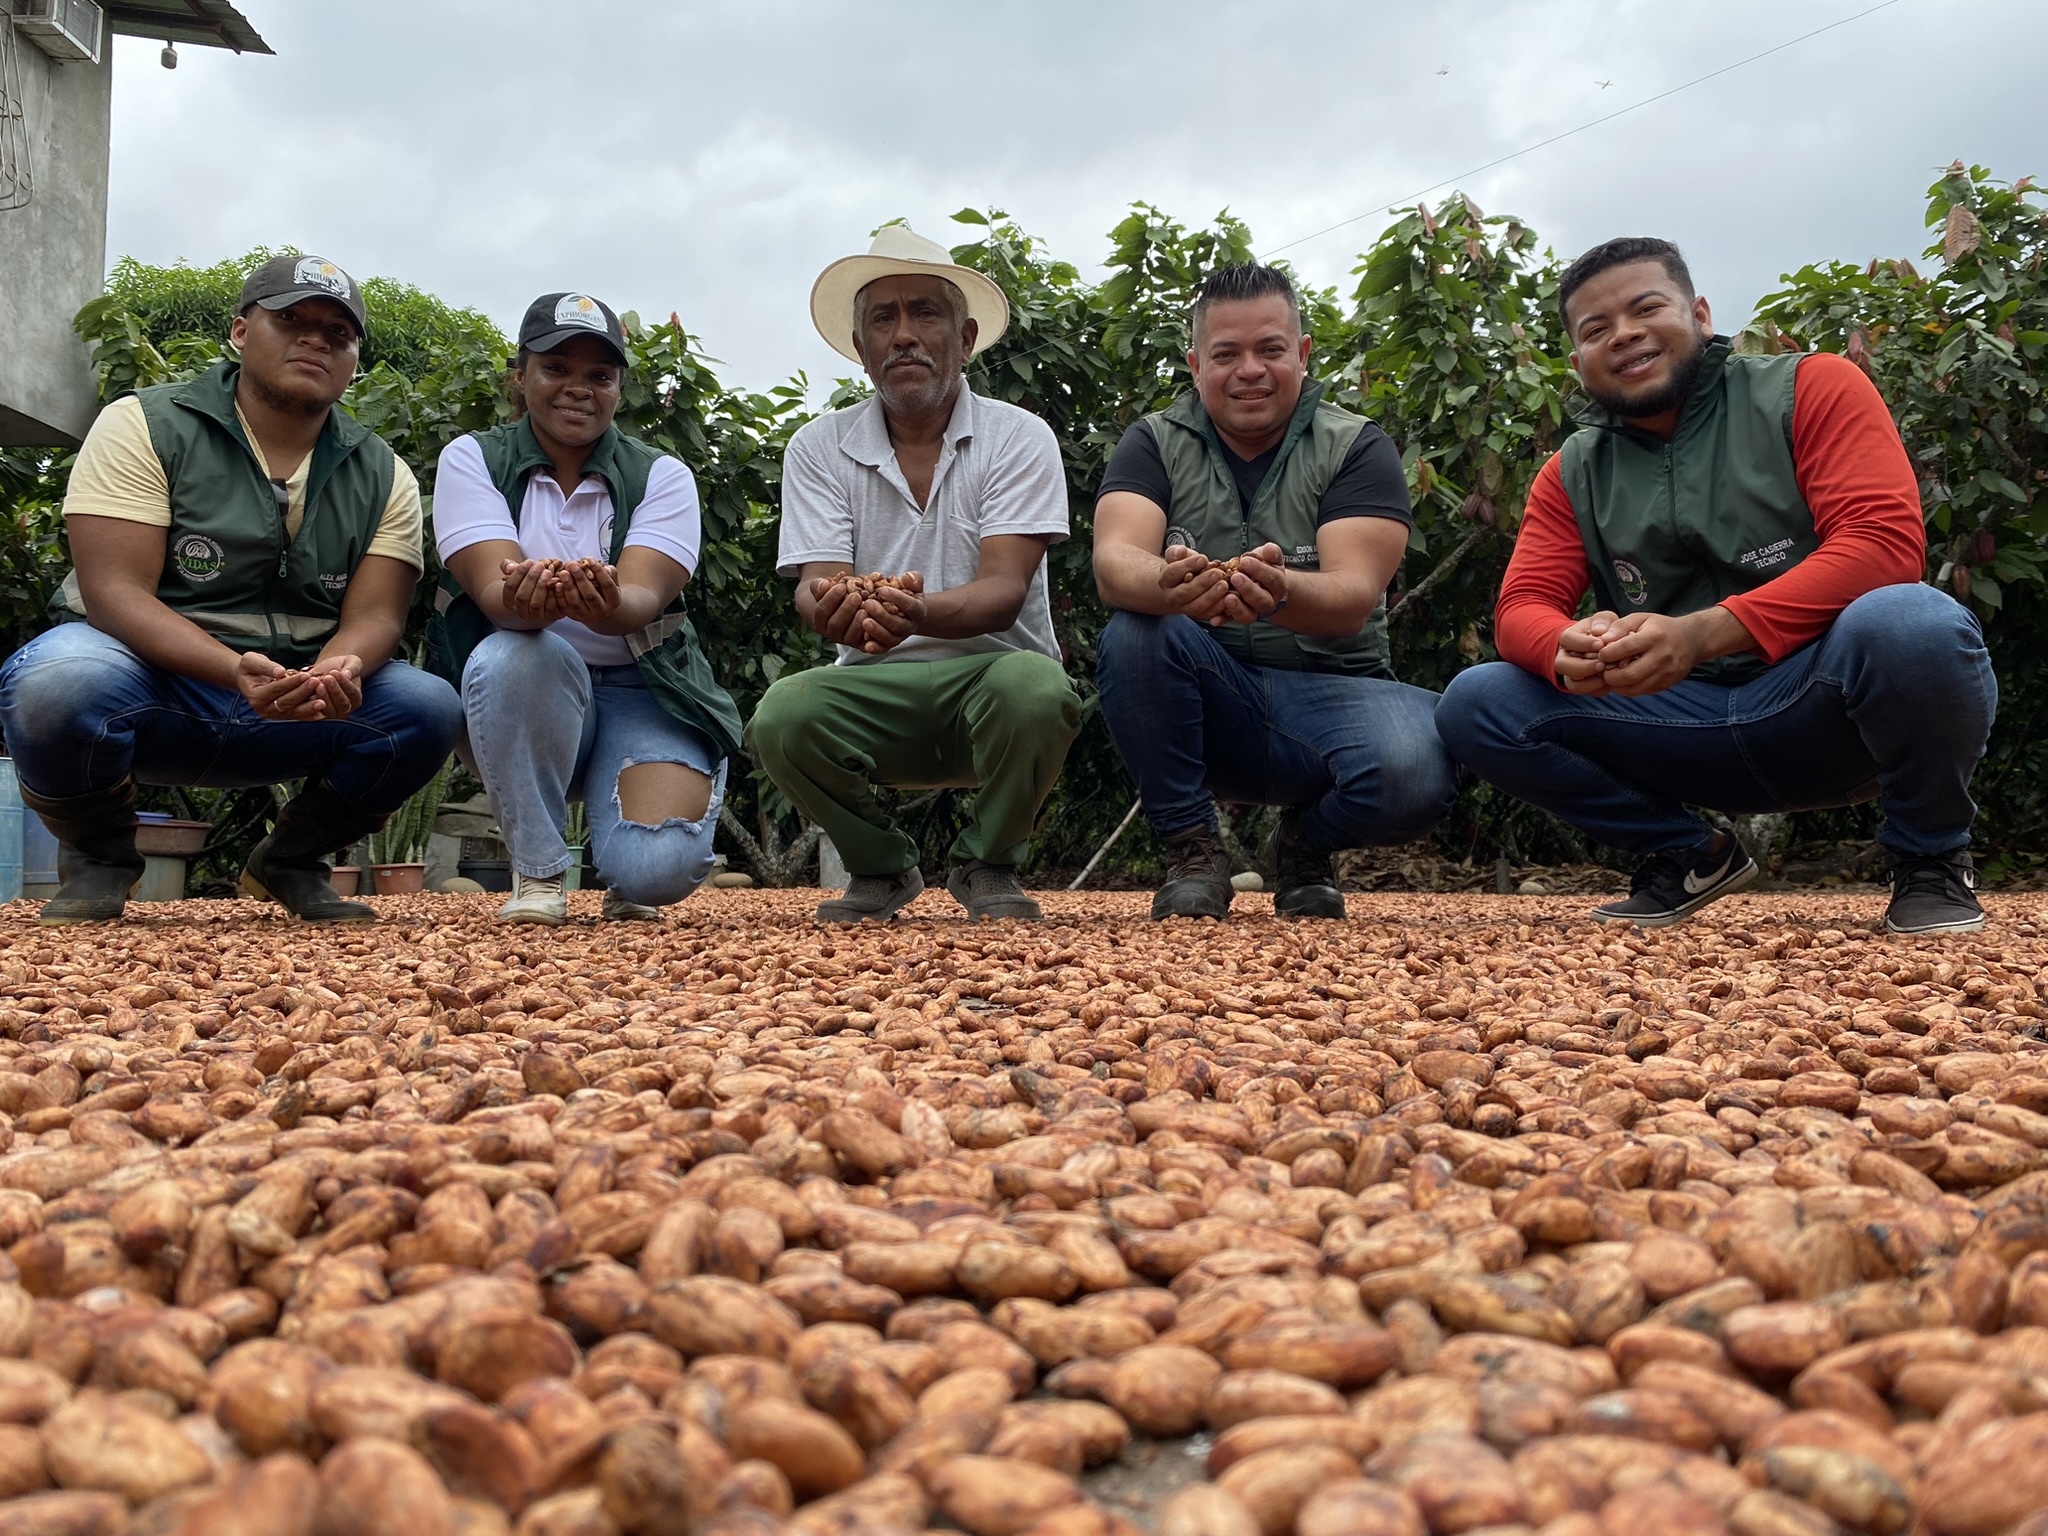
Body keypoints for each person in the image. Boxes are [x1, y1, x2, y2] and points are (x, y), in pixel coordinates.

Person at [1435, 237, 1995, 934]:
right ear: (1577, 362)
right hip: (1675, 722)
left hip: (1823, 706)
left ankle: (1932, 861)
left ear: (1699, 313)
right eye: (1596, 329)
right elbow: (1522, 608)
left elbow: (1883, 547)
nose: (1625, 336)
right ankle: (1686, 853)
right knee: (1478, 701)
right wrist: (1566, 643)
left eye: (1647, 308)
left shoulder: (1811, 387)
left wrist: (1702, 633)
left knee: (1914, 622)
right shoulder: (1572, 470)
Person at [0, 254, 462, 925]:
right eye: (292, 320)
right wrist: (231, 670)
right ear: (243, 331)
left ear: (354, 359)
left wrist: (342, 666)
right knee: (57, 682)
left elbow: (378, 613)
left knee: (427, 705)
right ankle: (101, 857)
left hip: (302, 699)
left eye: (338, 333)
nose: (315, 339)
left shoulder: (382, 471)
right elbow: (114, 593)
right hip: (153, 688)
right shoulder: (143, 424)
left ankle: (291, 860)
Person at [1092, 262, 1458, 920]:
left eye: (1270, 349)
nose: (1249, 370)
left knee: (1417, 769)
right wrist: (1169, 584)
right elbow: (1115, 560)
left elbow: (1352, 595)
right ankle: (1191, 849)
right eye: (1226, 354)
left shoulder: (1356, 446)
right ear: (1196, 363)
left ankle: (1305, 845)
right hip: (1210, 701)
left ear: (1304, 354)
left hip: (1336, 695)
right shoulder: (1151, 442)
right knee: (1136, 628)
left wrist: (1281, 590)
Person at [747, 225, 1082, 924]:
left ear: (963, 339)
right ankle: (881, 868)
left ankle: (988, 864)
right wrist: (831, 607)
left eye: (925, 313)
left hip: (993, 682)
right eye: (883, 318)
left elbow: (1001, 594)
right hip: (874, 686)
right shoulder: (817, 447)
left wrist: (905, 610)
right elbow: (820, 583)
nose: (904, 335)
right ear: (861, 348)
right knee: (782, 715)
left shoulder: (1019, 437)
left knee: (1039, 686)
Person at [428, 292, 741, 926]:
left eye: (600, 376)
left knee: (657, 874)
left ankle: (631, 866)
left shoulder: (662, 475)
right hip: (533, 688)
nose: (579, 389)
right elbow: (498, 599)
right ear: (521, 377)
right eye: (556, 369)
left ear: (620, 389)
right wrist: (528, 596)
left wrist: (606, 600)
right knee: (511, 654)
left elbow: (641, 600)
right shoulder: (473, 459)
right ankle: (539, 872)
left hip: (643, 687)